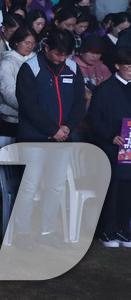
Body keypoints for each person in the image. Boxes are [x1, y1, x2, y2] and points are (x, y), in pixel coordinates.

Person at [87, 47, 131, 247]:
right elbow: (94, 118)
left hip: (129, 148)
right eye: (128, 67)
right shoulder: (105, 89)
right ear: (117, 66)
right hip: (110, 147)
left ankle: (123, 229)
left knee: (127, 188)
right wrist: (110, 136)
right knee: (111, 188)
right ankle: (106, 230)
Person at [15, 29, 85, 143]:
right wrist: (53, 130)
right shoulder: (30, 68)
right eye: (58, 54)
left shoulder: (73, 68)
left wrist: (68, 127)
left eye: (66, 55)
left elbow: (80, 101)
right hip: (33, 137)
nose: (62, 59)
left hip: (64, 136)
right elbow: (29, 105)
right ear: (47, 48)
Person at [0, 26, 38, 138]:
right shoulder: (7, 62)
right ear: (16, 42)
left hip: (35, 118)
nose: (30, 46)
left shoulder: (37, 60)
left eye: (33, 43)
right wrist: (28, 108)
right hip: (12, 117)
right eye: (26, 42)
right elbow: (7, 91)